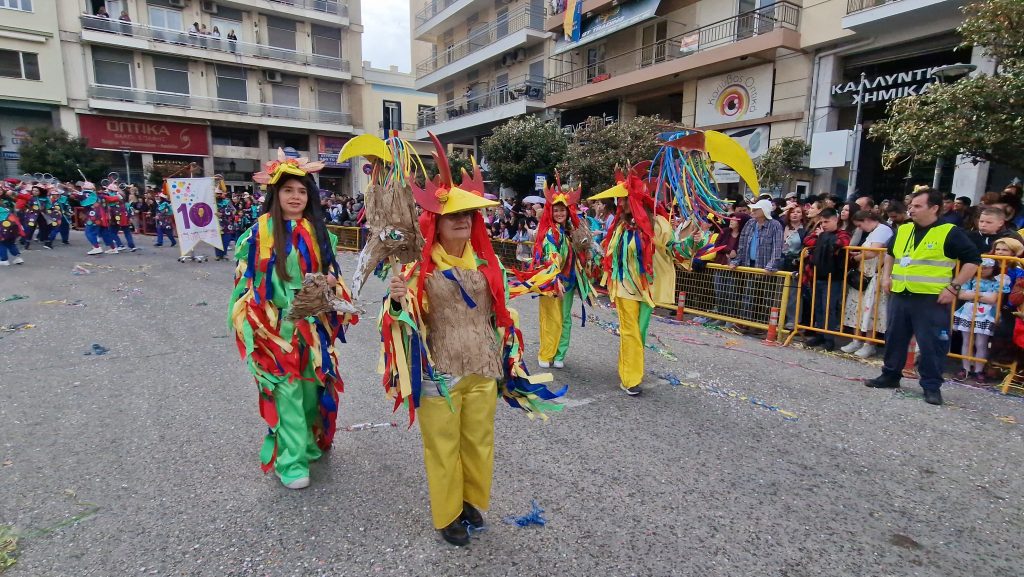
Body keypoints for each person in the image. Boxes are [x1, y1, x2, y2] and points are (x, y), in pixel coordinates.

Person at [381, 146, 563, 546]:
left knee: (479, 442)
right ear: (437, 222)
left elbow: (503, 312)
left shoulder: (488, 264)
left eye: (468, 214)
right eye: (454, 215)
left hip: (483, 366)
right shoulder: (417, 269)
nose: (463, 221)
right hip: (440, 373)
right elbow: (403, 321)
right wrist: (396, 299)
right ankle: (447, 515)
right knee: (443, 447)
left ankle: (469, 500)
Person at [229, 153, 357, 490]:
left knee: (311, 393)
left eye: (302, 190)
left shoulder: (321, 235)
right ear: (275, 194)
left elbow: (334, 278)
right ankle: (292, 461)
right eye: (288, 190)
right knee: (286, 395)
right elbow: (245, 286)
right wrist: (259, 325)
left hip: (312, 332)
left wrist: (332, 285)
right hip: (275, 332)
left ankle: (309, 442)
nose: (295, 196)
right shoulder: (257, 235)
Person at [588, 165, 709, 396]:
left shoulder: (658, 225)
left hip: (647, 288)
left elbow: (674, 250)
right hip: (623, 286)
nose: (620, 205)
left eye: (624, 200)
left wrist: (693, 242)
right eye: (620, 201)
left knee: (638, 331)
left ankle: (629, 366)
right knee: (630, 330)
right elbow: (609, 255)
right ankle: (631, 378)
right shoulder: (620, 227)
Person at [864, 186, 982, 406]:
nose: (912, 210)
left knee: (932, 344)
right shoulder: (904, 230)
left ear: (934, 208)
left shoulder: (949, 232)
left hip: (931, 298)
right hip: (901, 294)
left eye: (917, 206)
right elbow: (891, 253)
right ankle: (890, 375)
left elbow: (973, 261)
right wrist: (886, 277)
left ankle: (931, 386)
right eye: (911, 206)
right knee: (895, 338)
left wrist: (953, 287)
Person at [510, 181, 596, 369]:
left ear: (567, 211)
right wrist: (554, 278)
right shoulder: (550, 233)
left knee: (564, 318)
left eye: (562, 210)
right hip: (551, 282)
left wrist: (588, 255)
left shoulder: (573, 231)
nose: (559, 214)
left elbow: (584, 252)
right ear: (551, 211)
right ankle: (546, 352)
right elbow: (551, 258)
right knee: (550, 318)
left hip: (569, 282)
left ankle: (559, 353)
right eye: (556, 210)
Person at [841, 210, 893, 358]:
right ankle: (856, 339)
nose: (861, 228)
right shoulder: (874, 231)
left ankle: (869, 343)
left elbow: (872, 252)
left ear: (868, 220)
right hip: (865, 272)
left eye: (861, 225)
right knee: (858, 307)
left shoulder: (883, 230)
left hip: (875, 273)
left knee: (871, 310)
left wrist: (854, 258)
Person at [802, 208, 851, 351]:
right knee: (818, 306)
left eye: (826, 221)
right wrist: (823, 239)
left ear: (835, 220)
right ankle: (820, 334)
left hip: (834, 277)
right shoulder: (821, 233)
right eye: (822, 222)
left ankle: (829, 337)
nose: (823, 225)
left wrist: (822, 237)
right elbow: (807, 241)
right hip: (817, 275)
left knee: (828, 308)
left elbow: (840, 244)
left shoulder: (843, 234)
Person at [951, 258, 1004, 385]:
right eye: (981, 267)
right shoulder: (970, 279)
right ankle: (966, 367)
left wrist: (974, 294)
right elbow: (962, 295)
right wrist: (982, 295)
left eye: (986, 268)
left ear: (993, 269)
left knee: (981, 342)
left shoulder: (997, 281)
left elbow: (992, 299)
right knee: (967, 341)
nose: (982, 270)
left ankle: (979, 370)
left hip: (986, 313)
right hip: (968, 311)